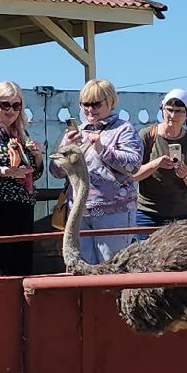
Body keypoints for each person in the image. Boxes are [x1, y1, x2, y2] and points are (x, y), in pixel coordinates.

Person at [50, 79, 141, 265]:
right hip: (80, 212)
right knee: (81, 268)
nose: (90, 109)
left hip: (113, 212)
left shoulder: (123, 129)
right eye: (86, 104)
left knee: (112, 267)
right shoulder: (76, 133)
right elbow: (56, 172)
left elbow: (134, 165)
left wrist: (101, 148)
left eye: (96, 104)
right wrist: (67, 147)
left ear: (110, 102)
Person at [0, 81, 45, 276]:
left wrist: (38, 157)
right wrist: (3, 171)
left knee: (22, 263)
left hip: (22, 204)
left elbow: (35, 173)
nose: (11, 111)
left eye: (16, 106)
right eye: (5, 105)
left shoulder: (21, 134)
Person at [133, 88, 187, 230]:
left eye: (179, 111)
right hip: (148, 213)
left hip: (182, 214)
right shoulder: (147, 135)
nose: (173, 115)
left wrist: (185, 175)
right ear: (162, 109)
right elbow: (134, 175)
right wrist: (156, 164)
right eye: (169, 109)